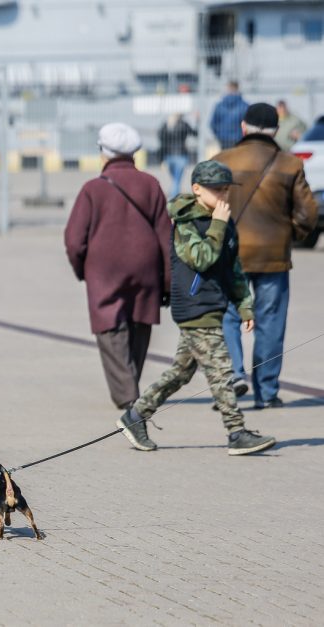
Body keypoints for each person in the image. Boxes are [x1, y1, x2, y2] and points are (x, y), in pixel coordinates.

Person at [117, 160, 276, 457]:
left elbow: (234, 270)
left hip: (213, 305)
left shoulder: (225, 224)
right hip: (193, 306)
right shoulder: (186, 223)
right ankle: (236, 432)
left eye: (226, 190)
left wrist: (245, 306)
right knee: (221, 370)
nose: (224, 196)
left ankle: (135, 415)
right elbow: (200, 258)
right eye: (217, 190)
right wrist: (218, 225)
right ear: (197, 189)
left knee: (181, 372)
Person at [214, 102, 318, 408]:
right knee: (271, 321)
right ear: (275, 130)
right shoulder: (289, 164)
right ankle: (267, 391)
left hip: (230, 254)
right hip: (274, 255)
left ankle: (233, 374)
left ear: (243, 128)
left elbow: (205, 207)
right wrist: (291, 235)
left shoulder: (221, 160)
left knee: (228, 317)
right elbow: (308, 214)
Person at [65, 123, 172, 411]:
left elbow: (74, 240)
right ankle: (131, 386)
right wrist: (168, 283)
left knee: (111, 329)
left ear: (104, 153)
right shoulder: (151, 184)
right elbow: (166, 236)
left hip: (104, 272)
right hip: (146, 269)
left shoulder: (93, 189)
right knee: (139, 323)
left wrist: (82, 269)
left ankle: (128, 399)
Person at [157, 113, 197, 198]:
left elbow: (161, 139)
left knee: (175, 179)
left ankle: (175, 196)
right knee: (177, 180)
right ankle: (173, 198)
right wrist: (196, 121)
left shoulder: (166, 125)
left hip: (168, 156)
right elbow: (194, 133)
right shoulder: (183, 124)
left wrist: (161, 159)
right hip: (181, 155)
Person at [210, 81, 249, 150]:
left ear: (228, 89)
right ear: (237, 89)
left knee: (225, 159)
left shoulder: (219, 106)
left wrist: (219, 136)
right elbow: (248, 124)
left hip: (224, 140)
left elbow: (213, 124)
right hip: (239, 140)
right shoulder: (244, 106)